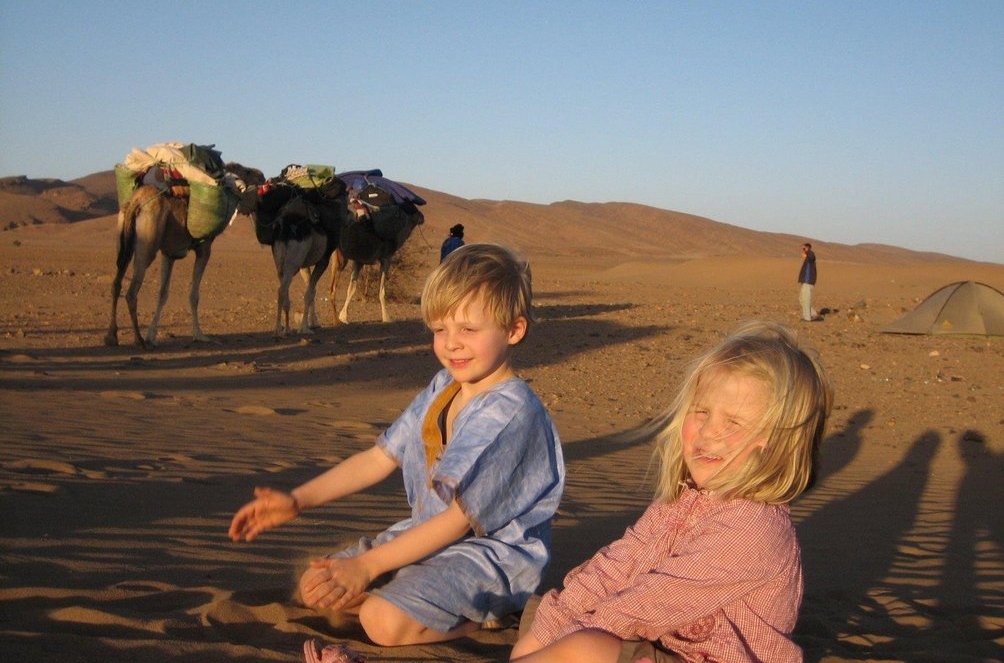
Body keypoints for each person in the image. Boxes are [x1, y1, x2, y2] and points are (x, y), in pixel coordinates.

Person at [229, 243, 564, 650]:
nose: (451, 344)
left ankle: (492, 619)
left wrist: (368, 567)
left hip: (489, 558)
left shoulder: (510, 414)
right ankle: (412, 600)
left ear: (514, 329)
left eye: (468, 330)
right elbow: (379, 457)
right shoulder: (444, 387)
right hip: (425, 538)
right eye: (440, 329)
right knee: (317, 585)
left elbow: (458, 521)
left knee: (381, 620)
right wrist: (298, 500)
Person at [510, 321, 832, 663]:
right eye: (702, 412)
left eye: (733, 423)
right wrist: (554, 624)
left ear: (774, 442)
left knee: (583, 646)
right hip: (656, 641)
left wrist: (575, 635)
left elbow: (654, 600)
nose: (709, 432)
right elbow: (617, 564)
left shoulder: (753, 529)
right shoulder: (680, 499)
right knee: (543, 621)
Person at [798, 242, 818, 321]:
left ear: (807, 247)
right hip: (805, 281)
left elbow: (811, 257)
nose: (803, 250)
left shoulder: (811, 254)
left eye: (804, 248)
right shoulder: (808, 258)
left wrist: (806, 253)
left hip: (808, 281)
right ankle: (813, 313)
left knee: (806, 299)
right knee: (801, 299)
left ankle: (807, 318)